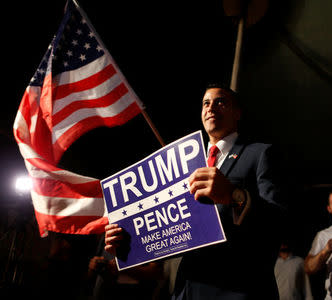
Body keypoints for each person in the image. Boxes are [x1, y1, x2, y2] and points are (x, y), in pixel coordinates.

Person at [105, 83, 287, 299]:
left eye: (220, 102)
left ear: (237, 113)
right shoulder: (184, 165)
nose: (211, 107)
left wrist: (233, 195)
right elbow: (169, 230)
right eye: (206, 103)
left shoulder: (259, 153)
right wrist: (128, 240)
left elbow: (277, 221)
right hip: (187, 289)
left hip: (238, 288)